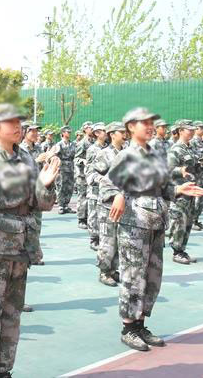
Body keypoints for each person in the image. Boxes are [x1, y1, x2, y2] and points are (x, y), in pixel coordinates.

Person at [0, 103, 59, 378]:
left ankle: (3, 371)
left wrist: (45, 185)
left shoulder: (27, 159)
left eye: (19, 122)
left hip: (20, 250)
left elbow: (41, 203)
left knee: (11, 317)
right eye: (11, 122)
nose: (18, 126)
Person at [104, 107, 203, 351]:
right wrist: (118, 194)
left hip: (156, 222)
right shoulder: (126, 156)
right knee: (133, 276)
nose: (150, 127)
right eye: (144, 123)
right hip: (133, 226)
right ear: (131, 127)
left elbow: (162, 188)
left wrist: (178, 190)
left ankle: (140, 324)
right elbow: (107, 185)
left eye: (152, 123)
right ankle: (128, 328)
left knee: (152, 276)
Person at [167, 120, 203, 265]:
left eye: (192, 129)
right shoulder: (175, 149)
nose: (192, 132)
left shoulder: (189, 148)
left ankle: (182, 250)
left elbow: (194, 168)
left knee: (187, 223)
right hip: (180, 192)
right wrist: (182, 170)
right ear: (180, 131)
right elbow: (169, 170)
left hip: (190, 191)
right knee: (179, 223)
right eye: (189, 130)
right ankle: (177, 251)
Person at [92, 122, 126, 287]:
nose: (124, 134)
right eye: (121, 132)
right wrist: (107, 183)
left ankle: (113, 270)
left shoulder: (127, 153)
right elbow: (92, 174)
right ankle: (104, 271)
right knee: (108, 240)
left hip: (124, 203)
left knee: (120, 239)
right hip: (108, 204)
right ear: (112, 134)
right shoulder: (104, 154)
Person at [84, 122, 108, 251]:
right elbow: (89, 170)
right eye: (104, 131)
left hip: (106, 187)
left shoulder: (108, 148)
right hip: (95, 187)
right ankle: (94, 238)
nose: (106, 133)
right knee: (94, 213)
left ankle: (103, 237)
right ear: (97, 133)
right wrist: (97, 180)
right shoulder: (92, 149)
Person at [52, 126, 76, 214]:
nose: (69, 133)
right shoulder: (59, 145)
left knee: (70, 187)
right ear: (62, 133)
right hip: (61, 167)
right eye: (67, 132)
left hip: (71, 167)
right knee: (61, 186)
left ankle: (66, 205)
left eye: (69, 132)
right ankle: (61, 206)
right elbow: (54, 156)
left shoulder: (73, 144)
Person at [75, 121, 94, 229]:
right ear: (85, 130)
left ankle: (89, 218)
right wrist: (84, 161)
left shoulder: (94, 142)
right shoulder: (82, 143)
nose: (92, 129)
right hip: (82, 175)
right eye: (89, 127)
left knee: (90, 197)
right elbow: (76, 158)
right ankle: (81, 219)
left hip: (91, 174)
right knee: (82, 197)